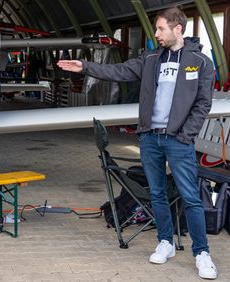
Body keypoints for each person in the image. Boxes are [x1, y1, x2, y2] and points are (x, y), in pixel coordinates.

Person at [58, 7, 217, 280]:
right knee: (156, 194)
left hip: (179, 140)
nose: (156, 34)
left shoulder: (200, 62)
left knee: (190, 197)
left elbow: (203, 103)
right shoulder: (151, 58)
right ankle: (165, 242)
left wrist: (186, 134)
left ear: (178, 29)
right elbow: (118, 71)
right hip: (150, 138)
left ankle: (202, 253)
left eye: (160, 29)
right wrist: (85, 67)